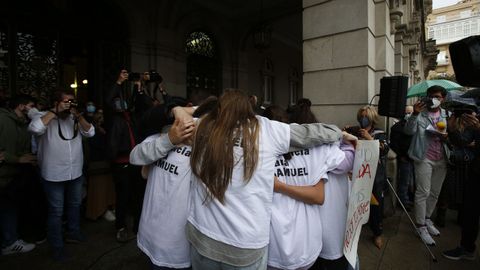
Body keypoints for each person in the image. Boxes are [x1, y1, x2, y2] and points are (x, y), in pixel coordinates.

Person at [179, 89, 343, 270]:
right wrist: (341, 134)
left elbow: (176, 115)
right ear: (249, 109)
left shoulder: (203, 126)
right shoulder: (266, 129)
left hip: (202, 239)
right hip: (245, 247)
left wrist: (177, 109)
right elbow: (319, 132)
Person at [264, 100, 355, 270]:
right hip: (308, 244)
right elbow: (347, 163)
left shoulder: (259, 152)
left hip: (273, 245)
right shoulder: (318, 149)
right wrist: (345, 142)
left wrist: (279, 186)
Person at [129, 99, 214, 270]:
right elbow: (135, 157)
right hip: (149, 233)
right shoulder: (162, 136)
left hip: (177, 246)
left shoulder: (207, 152)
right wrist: (170, 139)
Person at [28, 89, 95, 261]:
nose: (69, 104)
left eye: (71, 101)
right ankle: (57, 246)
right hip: (53, 173)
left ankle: (74, 232)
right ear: (55, 102)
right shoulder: (44, 117)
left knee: (75, 204)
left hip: (75, 172)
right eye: (65, 101)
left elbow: (90, 132)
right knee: (56, 211)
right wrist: (55, 112)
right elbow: (35, 129)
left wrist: (79, 116)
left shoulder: (74, 118)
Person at [404, 85, 449, 246]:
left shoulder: (447, 114)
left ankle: (427, 218)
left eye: (437, 96)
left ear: (443, 98)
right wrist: (415, 114)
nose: (433, 99)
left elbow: (451, 135)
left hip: (442, 158)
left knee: (435, 192)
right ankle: (421, 226)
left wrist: (445, 136)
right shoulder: (421, 114)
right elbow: (408, 131)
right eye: (430, 96)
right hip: (424, 157)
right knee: (423, 191)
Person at [347, 105, 389, 249]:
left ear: (372, 118)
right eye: (361, 116)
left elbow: (384, 150)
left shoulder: (380, 133)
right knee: (355, 202)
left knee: (376, 204)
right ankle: (354, 230)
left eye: (366, 116)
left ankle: (377, 233)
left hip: (375, 176)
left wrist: (369, 138)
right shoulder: (354, 131)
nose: (363, 119)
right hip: (357, 173)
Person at [0, 94, 37, 255]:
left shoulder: (23, 124)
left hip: (14, 175)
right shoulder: (3, 120)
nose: (33, 109)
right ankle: (9, 242)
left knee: (10, 208)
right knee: (7, 209)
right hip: (3, 174)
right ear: (22, 106)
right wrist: (18, 159)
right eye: (31, 106)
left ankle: (11, 239)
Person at [443, 111, 480, 260]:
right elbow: (463, 141)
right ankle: (467, 248)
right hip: (476, 173)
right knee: (470, 213)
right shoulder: (476, 119)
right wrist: (452, 129)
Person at [108, 96, 143, 242]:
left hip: (135, 163)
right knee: (122, 197)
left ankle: (137, 227)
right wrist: (115, 161)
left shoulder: (131, 119)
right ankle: (120, 228)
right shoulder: (115, 120)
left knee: (136, 196)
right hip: (122, 164)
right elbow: (112, 145)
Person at [390, 105, 414, 209]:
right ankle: (403, 201)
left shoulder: (415, 125)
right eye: (406, 113)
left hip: (414, 157)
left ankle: (410, 199)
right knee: (405, 181)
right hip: (405, 158)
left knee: (413, 181)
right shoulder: (397, 127)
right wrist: (401, 156)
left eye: (410, 113)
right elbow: (394, 144)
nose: (408, 115)